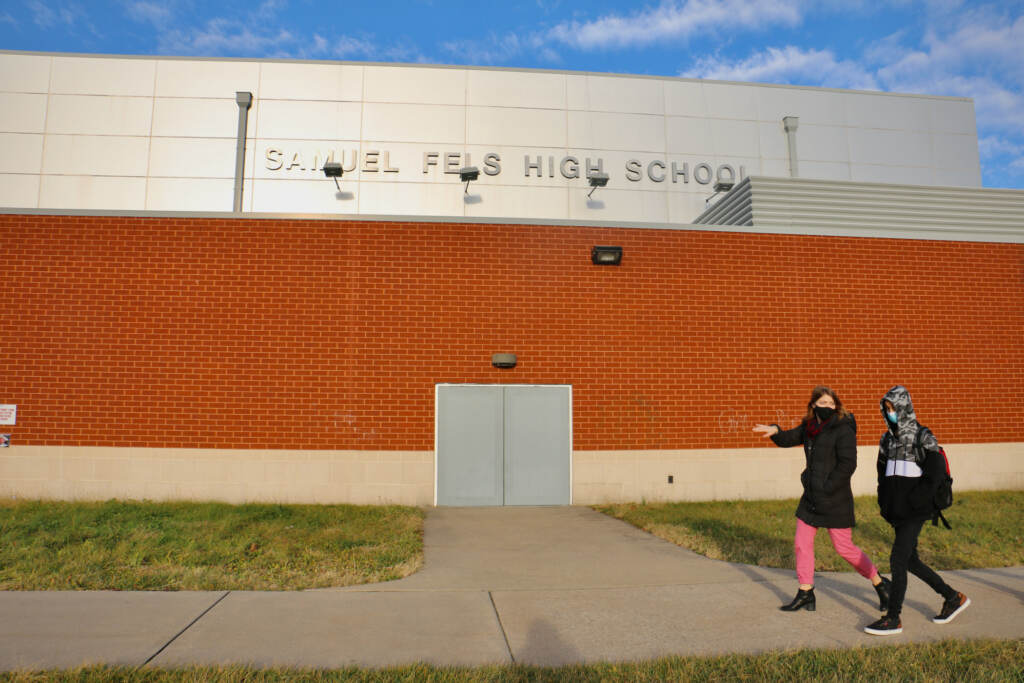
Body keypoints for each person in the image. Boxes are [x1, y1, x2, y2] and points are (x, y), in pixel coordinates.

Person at [754, 386, 890, 613]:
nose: (828, 407)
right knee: (801, 544)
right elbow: (789, 438)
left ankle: (880, 583)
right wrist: (775, 431)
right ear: (813, 405)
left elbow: (848, 464)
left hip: (834, 498)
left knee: (844, 548)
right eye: (823, 403)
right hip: (811, 499)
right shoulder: (809, 428)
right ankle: (806, 592)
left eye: (831, 403)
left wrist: (827, 487)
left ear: (836, 406)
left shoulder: (843, 428)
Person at [864, 385, 970, 635]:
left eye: (893, 408)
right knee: (910, 560)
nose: (889, 413)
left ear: (904, 407)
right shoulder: (886, 440)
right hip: (896, 512)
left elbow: (935, 475)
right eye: (886, 409)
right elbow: (882, 474)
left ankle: (893, 618)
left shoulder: (923, 436)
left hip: (916, 511)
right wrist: (884, 504)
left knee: (897, 559)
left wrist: (915, 502)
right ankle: (952, 597)